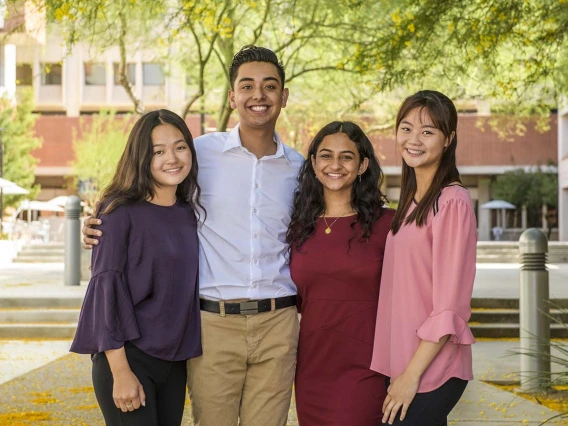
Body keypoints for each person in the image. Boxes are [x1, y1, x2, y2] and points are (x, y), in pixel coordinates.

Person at [82, 46, 304, 426]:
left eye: (270, 86)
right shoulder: (199, 154)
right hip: (213, 325)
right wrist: (99, 219)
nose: (258, 95)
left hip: (277, 322)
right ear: (232, 96)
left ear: (283, 96)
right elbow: (143, 189)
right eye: (247, 86)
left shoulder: (301, 168)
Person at [70, 109, 203, 426]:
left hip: (174, 360)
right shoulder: (118, 212)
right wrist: (120, 371)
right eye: (158, 151)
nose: (172, 158)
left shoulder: (189, 211)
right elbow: (106, 290)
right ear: (141, 157)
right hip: (129, 356)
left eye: (180, 147)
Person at [371, 90, 476, 425]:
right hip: (404, 360)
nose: (413, 140)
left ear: (448, 140)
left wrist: (410, 376)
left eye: (427, 131)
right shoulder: (412, 203)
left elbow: (450, 305)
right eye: (406, 128)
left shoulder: (452, 201)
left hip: (430, 369)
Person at [287, 121, 393, 426]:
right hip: (313, 367)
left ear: (363, 165)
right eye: (326, 156)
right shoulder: (298, 228)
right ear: (313, 163)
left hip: (368, 365)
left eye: (346, 157)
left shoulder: (389, 225)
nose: (335, 165)